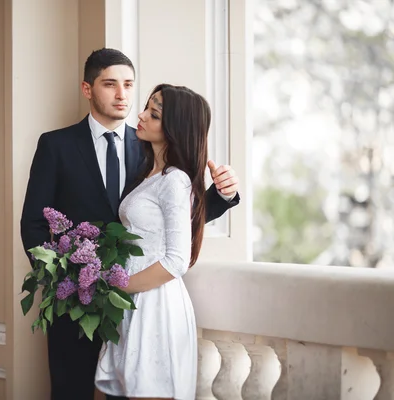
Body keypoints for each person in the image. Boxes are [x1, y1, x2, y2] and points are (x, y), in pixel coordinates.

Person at [20, 49, 240, 400]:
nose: (123, 95)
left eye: (128, 85)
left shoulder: (151, 147)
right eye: (110, 84)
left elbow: (173, 223)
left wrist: (223, 195)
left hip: (136, 304)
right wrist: (68, 286)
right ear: (87, 89)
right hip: (76, 308)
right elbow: (33, 224)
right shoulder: (55, 145)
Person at [95, 84, 210, 400]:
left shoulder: (175, 181)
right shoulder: (151, 174)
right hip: (133, 302)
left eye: (154, 113)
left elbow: (176, 260)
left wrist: (118, 287)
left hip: (155, 306)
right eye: (146, 107)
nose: (141, 115)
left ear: (176, 128)